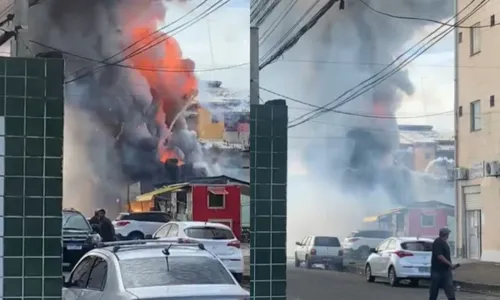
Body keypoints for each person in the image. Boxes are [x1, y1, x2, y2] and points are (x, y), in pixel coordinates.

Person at [429, 228, 459, 300]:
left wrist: (450, 266)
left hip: (445, 270)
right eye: (448, 234)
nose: (448, 235)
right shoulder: (438, 242)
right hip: (437, 270)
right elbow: (439, 256)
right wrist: (450, 264)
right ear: (446, 234)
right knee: (434, 289)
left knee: (449, 287)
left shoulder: (444, 243)